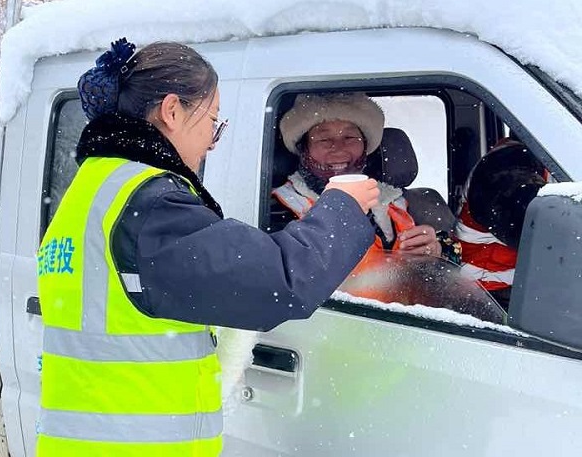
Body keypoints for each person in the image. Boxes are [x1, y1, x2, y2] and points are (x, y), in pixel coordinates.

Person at [36, 39, 380, 457]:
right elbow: (281, 280)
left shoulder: (95, 185)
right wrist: (343, 208)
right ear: (172, 111)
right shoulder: (149, 204)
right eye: (212, 120)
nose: (213, 142)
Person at [273, 93, 446, 263]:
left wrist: (435, 254)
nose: (339, 148)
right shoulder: (278, 210)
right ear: (304, 150)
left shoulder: (399, 204)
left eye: (349, 137)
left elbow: (453, 272)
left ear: (365, 145)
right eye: (324, 139)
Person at [455, 139, 547, 309]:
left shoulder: (528, 159)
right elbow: (543, 231)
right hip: (492, 293)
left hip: (516, 285)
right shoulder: (509, 168)